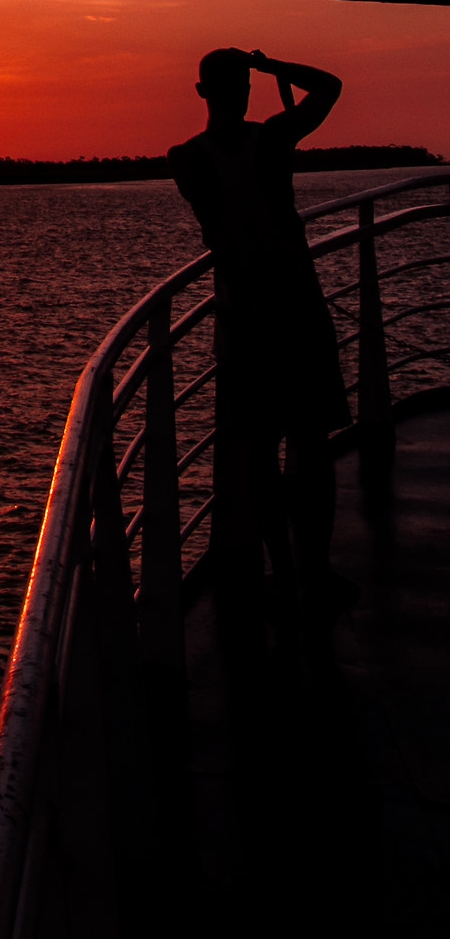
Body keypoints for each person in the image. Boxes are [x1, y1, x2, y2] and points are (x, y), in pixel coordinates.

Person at [168, 48, 350, 621]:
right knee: (311, 449)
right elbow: (331, 86)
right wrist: (276, 69)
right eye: (245, 83)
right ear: (246, 88)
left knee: (262, 452)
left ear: (202, 92)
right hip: (295, 310)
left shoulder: (186, 159)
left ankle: (284, 570)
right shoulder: (272, 140)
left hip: (243, 322)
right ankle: (314, 572)